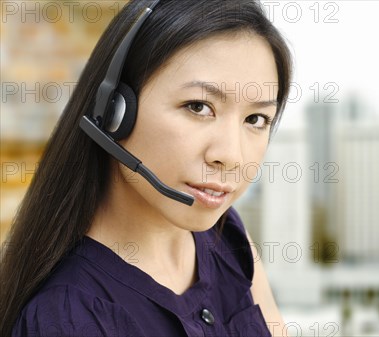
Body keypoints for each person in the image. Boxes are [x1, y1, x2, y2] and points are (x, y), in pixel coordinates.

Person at [0, 0, 293, 336]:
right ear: (114, 111)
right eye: (198, 106)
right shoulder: (70, 318)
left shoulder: (226, 234)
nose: (231, 156)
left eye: (255, 119)